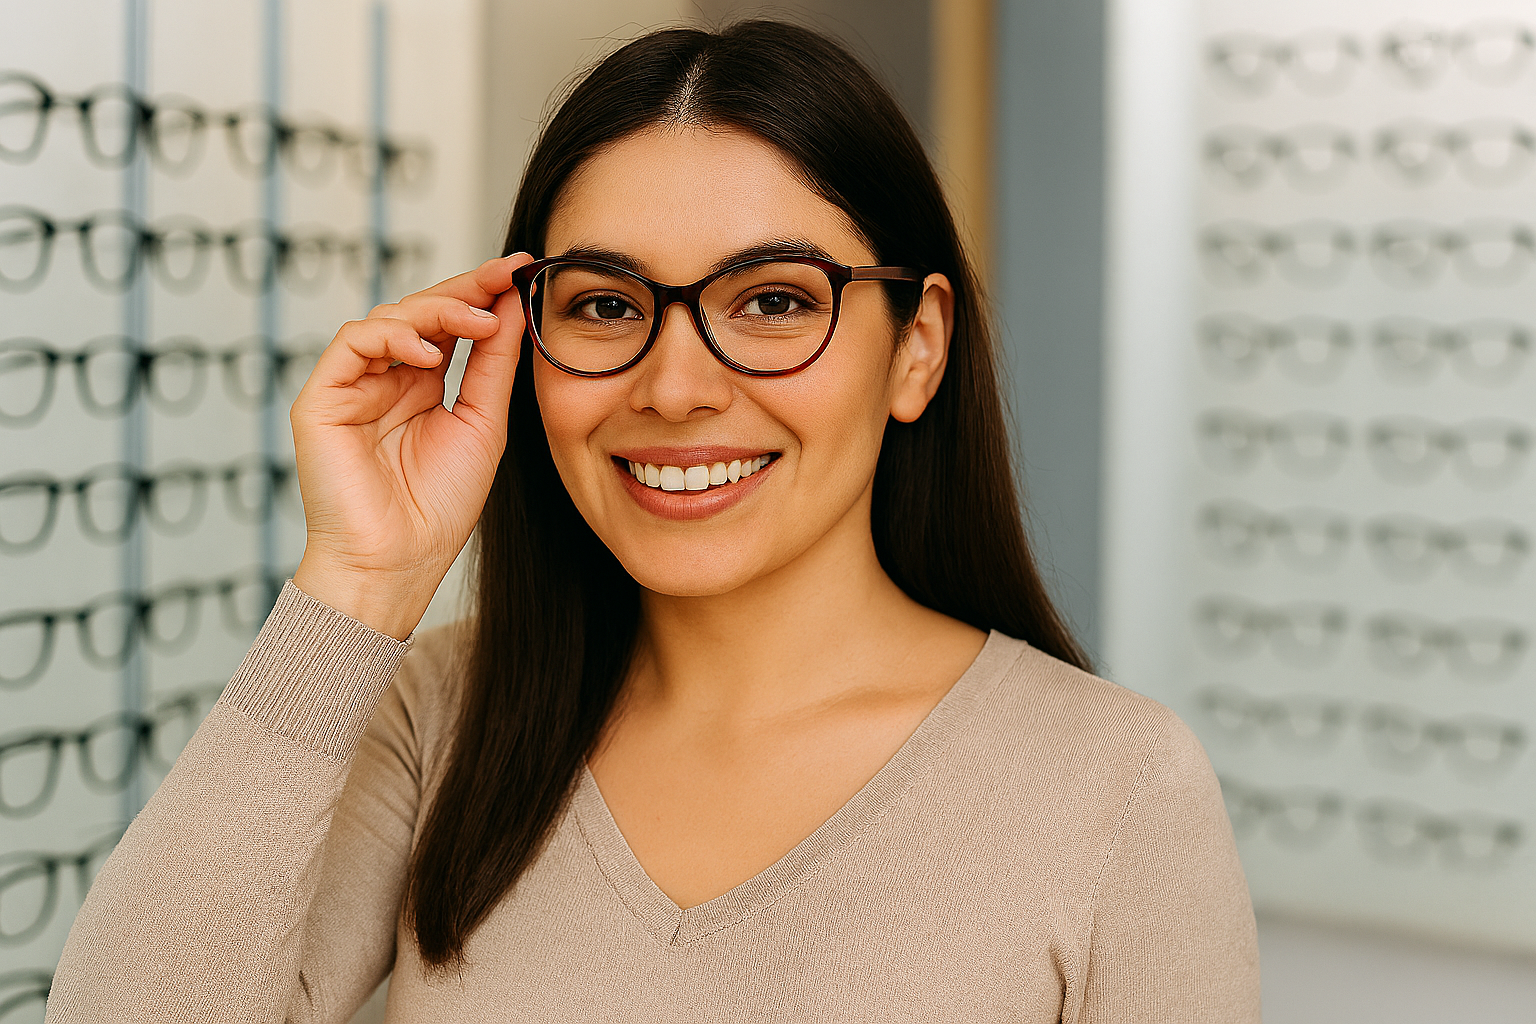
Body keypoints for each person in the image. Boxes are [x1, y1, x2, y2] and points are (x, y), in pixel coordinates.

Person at [46, 20, 1260, 1022]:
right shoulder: (442, 717)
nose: (674, 386)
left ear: (917, 349)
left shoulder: (1117, 790)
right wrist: (357, 582)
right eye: (607, 305)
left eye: (775, 299)